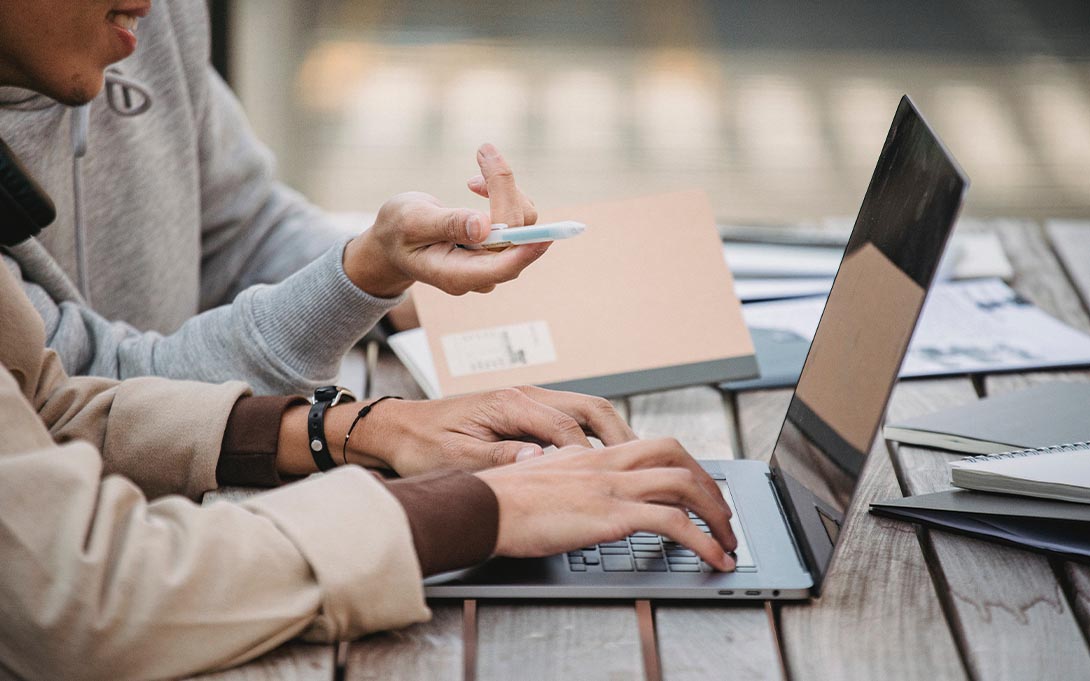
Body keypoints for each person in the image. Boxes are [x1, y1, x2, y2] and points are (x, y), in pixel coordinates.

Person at [0, 2, 738, 679]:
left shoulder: (143, 24)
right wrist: (477, 508)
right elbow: (85, 591)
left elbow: (54, 400)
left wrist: (354, 416)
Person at [0, 0, 536, 396]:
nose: (148, 4)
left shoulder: (152, 22)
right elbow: (88, 396)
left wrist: (413, 278)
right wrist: (363, 275)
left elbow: (242, 229)